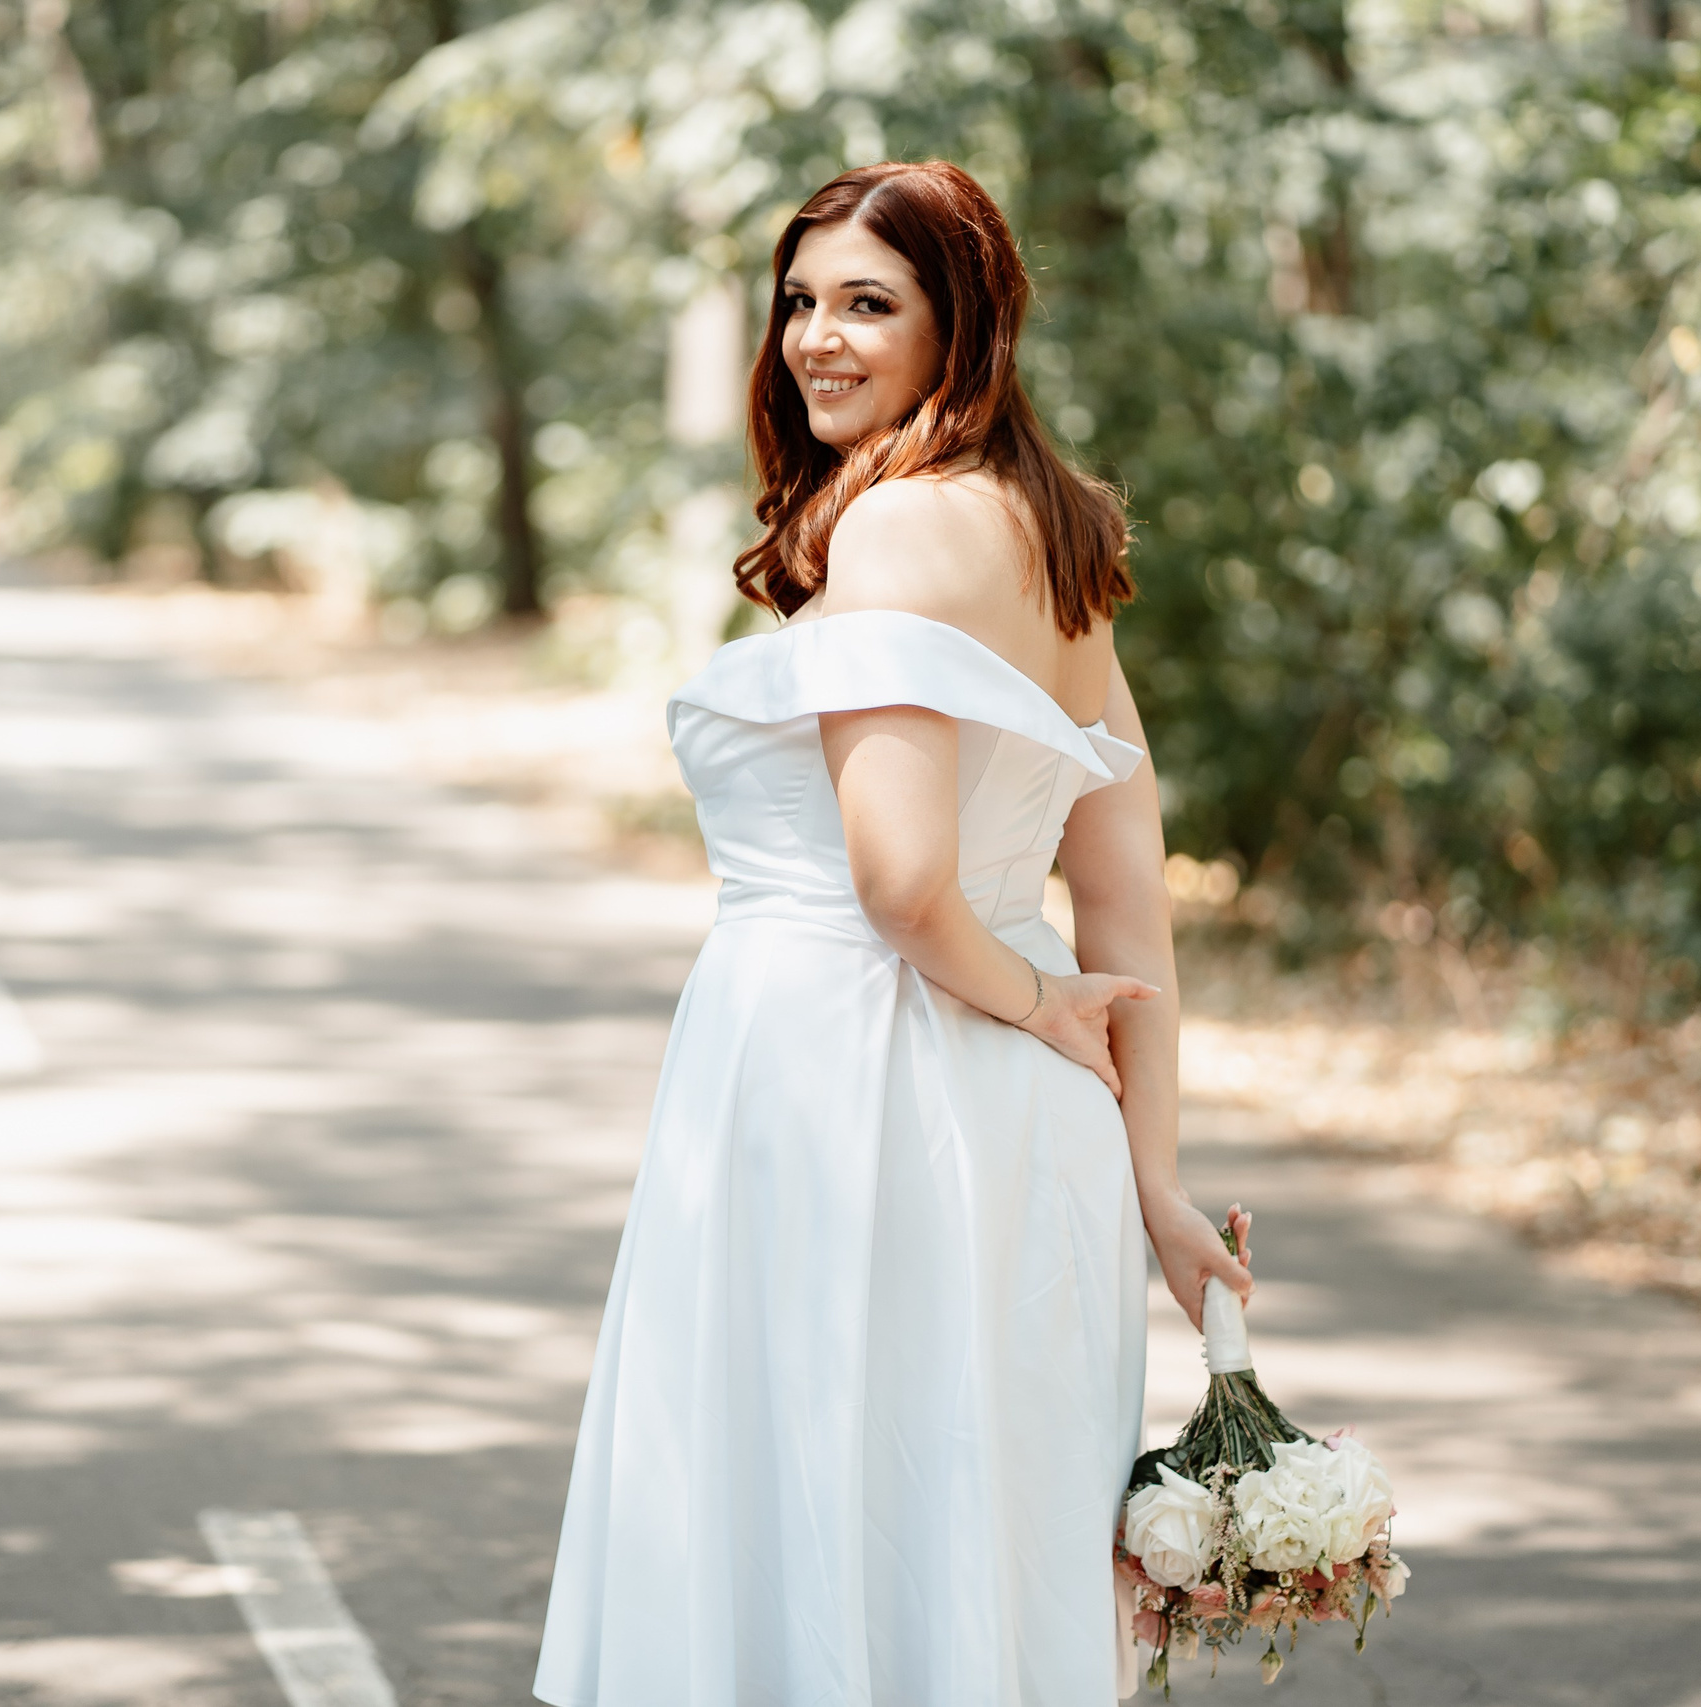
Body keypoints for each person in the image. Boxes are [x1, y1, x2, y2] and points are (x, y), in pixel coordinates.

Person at [532, 161, 1257, 1706]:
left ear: (961, 326)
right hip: (1021, 1123)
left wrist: (1034, 1004)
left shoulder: (896, 532)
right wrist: (1154, 1179)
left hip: (853, 1084)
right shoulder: (1062, 534)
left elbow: (905, 884)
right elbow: (1125, 887)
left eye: (869, 303)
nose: (817, 337)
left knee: (827, 1521)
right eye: (800, 300)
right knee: (969, 1536)